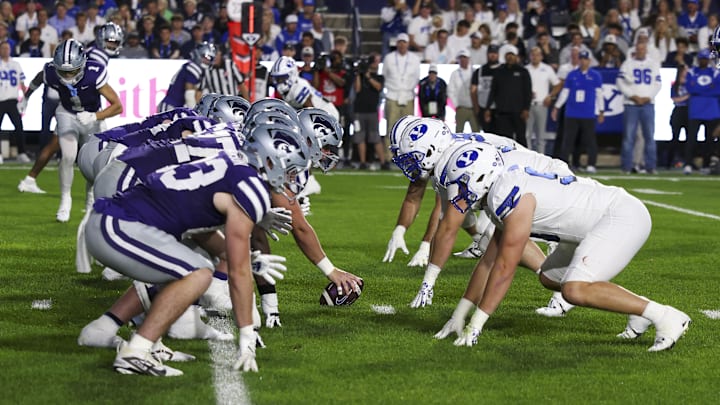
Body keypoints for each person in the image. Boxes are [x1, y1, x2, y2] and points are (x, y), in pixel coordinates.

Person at [84, 125, 309, 376]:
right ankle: (136, 352)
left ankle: (131, 336)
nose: (291, 178)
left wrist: (247, 260)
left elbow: (201, 230)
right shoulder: (250, 187)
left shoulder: (230, 164)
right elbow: (237, 271)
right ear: (270, 160)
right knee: (198, 272)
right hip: (118, 224)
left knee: (188, 264)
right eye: (290, 169)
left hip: (115, 220)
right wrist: (246, 333)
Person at [434, 141, 691, 353]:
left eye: (461, 185)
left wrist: (476, 325)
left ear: (481, 176)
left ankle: (667, 316)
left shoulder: (506, 194)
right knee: (550, 277)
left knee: (574, 290)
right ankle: (640, 308)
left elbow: (504, 267)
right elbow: (488, 262)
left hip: (619, 217)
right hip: (589, 225)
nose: (458, 195)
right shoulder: (501, 189)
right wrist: (460, 314)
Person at [42, 39, 123, 222]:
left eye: (72, 70)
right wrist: (26, 95)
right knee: (69, 156)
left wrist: (95, 116)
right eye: (63, 71)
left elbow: (118, 106)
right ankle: (65, 200)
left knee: (92, 163)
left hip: (92, 117)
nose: (68, 75)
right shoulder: (51, 72)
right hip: (67, 113)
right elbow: (40, 78)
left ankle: (90, 200)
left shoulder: (94, 73)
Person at [552, 49, 603, 173]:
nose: (583, 61)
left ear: (589, 61)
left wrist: (601, 111)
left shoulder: (595, 75)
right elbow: (565, 93)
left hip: (588, 113)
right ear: (579, 60)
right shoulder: (572, 75)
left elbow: (599, 94)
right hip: (572, 112)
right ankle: (564, 163)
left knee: (589, 140)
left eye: (586, 59)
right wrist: (557, 107)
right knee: (568, 140)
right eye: (582, 59)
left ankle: (591, 164)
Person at [617, 42, 662, 175]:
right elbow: (620, 82)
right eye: (639, 49)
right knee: (629, 137)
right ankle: (626, 166)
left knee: (649, 136)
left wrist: (648, 97)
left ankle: (650, 166)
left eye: (643, 49)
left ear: (646, 50)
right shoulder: (628, 64)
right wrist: (632, 96)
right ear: (635, 50)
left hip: (648, 103)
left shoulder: (653, 64)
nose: (641, 51)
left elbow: (658, 83)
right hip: (631, 104)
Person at [485, 45, 531, 147]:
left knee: (521, 138)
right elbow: (493, 91)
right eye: (508, 55)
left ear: (516, 57)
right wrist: (487, 108)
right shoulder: (499, 71)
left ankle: (525, 159)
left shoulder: (523, 72)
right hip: (502, 112)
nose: (510, 57)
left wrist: (526, 109)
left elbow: (528, 92)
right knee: (504, 140)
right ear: (505, 57)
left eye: (512, 55)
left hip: (519, 112)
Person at [683, 48, 720, 174]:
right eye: (701, 59)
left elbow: (718, 90)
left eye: (705, 59)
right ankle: (688, 164)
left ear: (708, 60)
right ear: (698, 59)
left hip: (711, 110)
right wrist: (708, 89)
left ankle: (706, 165)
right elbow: (689, 88)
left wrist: (699, 90)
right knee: (691, 139)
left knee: (709, 140)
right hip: (696, 109)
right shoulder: (692, 72)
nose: (703, 61)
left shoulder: (715, 72)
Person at [269, 56, 339, 118]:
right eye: (277, 79)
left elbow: (311, 115)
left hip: (327, 114)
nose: (279, 81)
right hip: (321, 112)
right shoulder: (291, 87)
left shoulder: (298, 89)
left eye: (282, 78)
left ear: (292, 74)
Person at [382, 33, 421, 142]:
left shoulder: (414, 58)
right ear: (397, 44)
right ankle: (389, 156)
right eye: (400, 42)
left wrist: (408, 88)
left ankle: (406, 154)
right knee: (391, 126)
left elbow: (416, 77)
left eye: (404, 42)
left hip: (408, 96)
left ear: (408, 44)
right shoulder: (389, 58)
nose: (402, 45)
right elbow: (384, 75)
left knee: (408, 128)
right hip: (392, 95)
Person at [353, 53, 388, 170]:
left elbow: (378, 87)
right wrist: (358, 74)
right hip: (359, 110)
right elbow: (357, 89)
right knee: (360, 137)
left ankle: (383, 162)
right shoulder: (360, 76)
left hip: (372, 111)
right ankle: (363, 162)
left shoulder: (379, 77)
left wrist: (368, 76)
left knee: (375, 137)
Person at [157, 42, 215, 112]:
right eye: (206, 57)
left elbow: (198, 94)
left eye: (210, 59)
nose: (207, 61)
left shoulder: (202, 72)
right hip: (170, 107)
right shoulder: (193, 67)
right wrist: (194, 112)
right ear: (198, 54)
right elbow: (189, 94)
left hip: (179, 108)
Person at [525, 46, 561, 155]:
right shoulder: (526, 69)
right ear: (530, 56)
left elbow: (558, 84)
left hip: (542, 104)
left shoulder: (547, 69)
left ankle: (541, 159)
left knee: (541, 135)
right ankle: (527, 159)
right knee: (527, 135)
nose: (535, 57)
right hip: (527, 105)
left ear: (541, 56)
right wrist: (526, 94)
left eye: (537, 55)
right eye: (533, 54)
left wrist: (550, 96)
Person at [0, 41, 28, 163]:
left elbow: (22, 84)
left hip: (12, 100)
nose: (6, 50)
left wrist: (25, 99)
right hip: (0, 100)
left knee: (19, 127)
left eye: (7, 48)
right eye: (3, 48)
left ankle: (21, 152)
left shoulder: (16, 64)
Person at [471, 44, 501, 133]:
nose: (493, 55)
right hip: (483, 107)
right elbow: (473, 90)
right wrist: (477, 108)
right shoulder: (480, 71)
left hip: (499, 109)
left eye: (495, 53)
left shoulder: (503, 69)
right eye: (491, 53)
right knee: (487, 134)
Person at [448, 49, 479, 133]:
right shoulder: (455, 73)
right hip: (461, 108)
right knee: (459, 132)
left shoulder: (475, 72)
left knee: (476, 131)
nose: (463, 60)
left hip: (474, 108)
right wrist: (456, 105)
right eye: (461, 58)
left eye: (465, 58)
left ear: (469, 59)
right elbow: (450, 90)